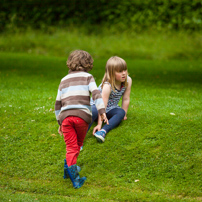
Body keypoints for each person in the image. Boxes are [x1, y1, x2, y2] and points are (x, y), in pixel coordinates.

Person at [54, 50, 108, 189]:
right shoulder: (88, 77)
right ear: (88, 63)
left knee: (70, 147)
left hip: (65, 118)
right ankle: (76, 180)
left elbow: (57, 104)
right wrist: (102, 111)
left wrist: (60, 122)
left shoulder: (63, 80)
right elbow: (96, 94)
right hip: (81, 118)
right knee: (76, 146)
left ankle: (68, 170)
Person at [89, 56, 132, 143]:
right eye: (120, 71)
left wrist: (124, 114)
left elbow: (126, 99)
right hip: (97, 107)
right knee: (92, 111)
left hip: (111, 108)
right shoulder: (107, 86)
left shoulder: (128, 80)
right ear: (111, 73)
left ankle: (103, 131)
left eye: (125, 70)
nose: (124, 73)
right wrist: (99, 124)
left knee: (121, 112)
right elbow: (102, 106)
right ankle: (80, 134)